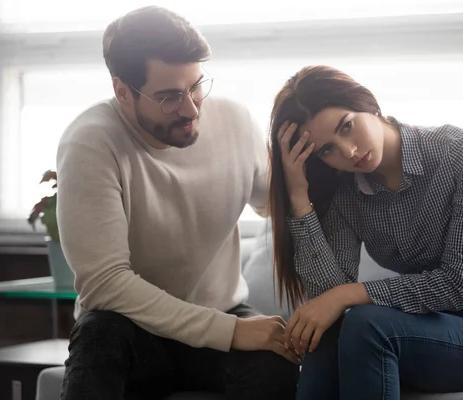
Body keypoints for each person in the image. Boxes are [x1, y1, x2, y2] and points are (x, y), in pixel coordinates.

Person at [56, 6, 299, 400]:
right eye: (168, 97)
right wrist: (231, 331)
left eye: (196, 86)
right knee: (100, 337)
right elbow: (103, 284)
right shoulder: (90, 142)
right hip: (132, 328)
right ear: (122, 92)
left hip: (221, 312)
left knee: (276, 364)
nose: (190, 109)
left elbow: (277, 204)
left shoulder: (235, 122)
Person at [267, 65, 463, 400]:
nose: (350, 152)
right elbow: (326, 299)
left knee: (366, 323)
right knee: (328, 331)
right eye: (327, 149)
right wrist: (299, 198)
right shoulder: (345, 194)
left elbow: (458, 285)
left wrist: (348, 295)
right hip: (424, 329)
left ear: (367, 102)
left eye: (347, 127)